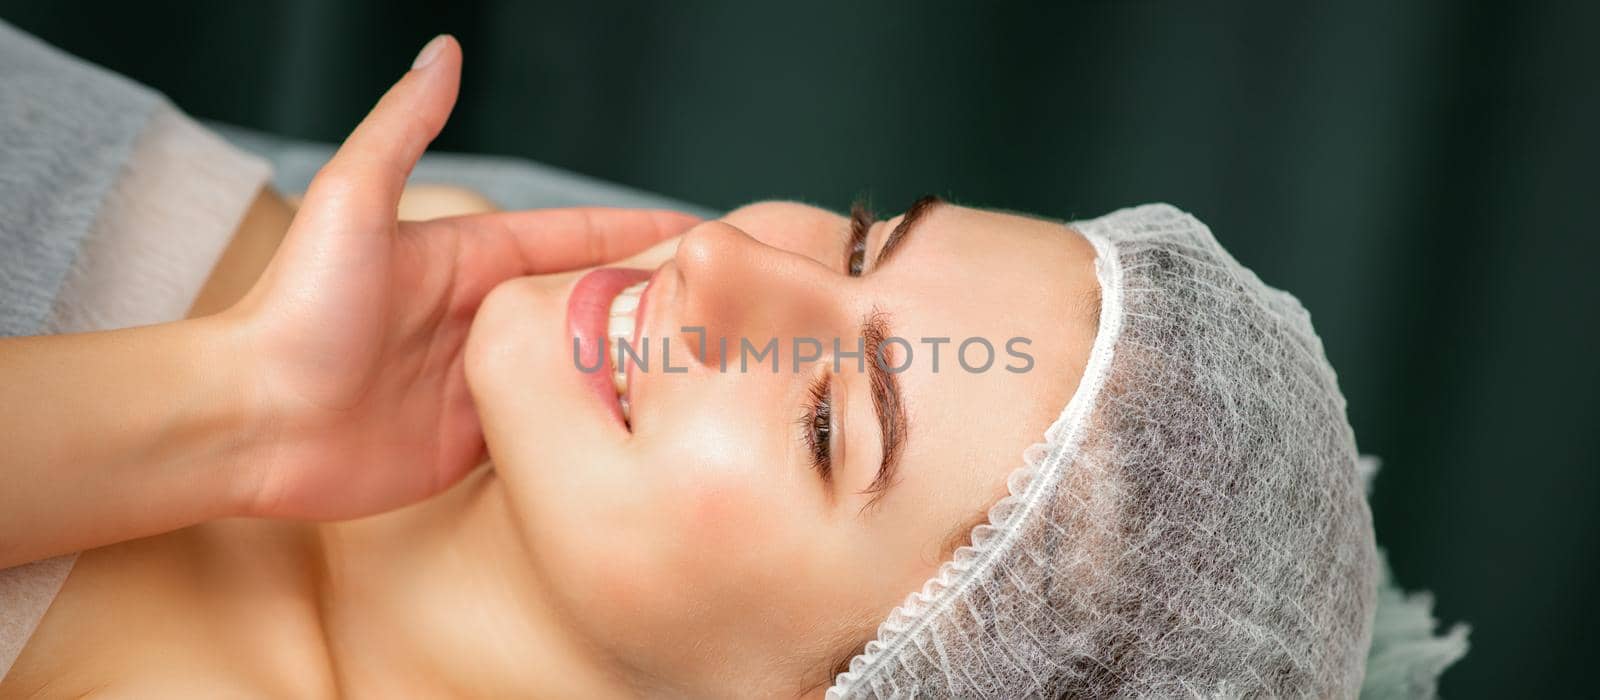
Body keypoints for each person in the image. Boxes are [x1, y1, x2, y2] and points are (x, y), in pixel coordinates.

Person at [2, 34, 1458, 698]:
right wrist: (238, 400)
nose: (717, 265)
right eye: (859, 247)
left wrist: (236, 422)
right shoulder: (291, 236)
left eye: (828, 424)